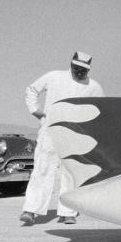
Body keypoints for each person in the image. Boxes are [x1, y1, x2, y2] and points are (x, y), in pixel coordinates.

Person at [19, 52, 104, 226]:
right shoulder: (53, 76)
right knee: (42, 168)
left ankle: (67, 212)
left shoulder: (94, 86)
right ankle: (31, 210)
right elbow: (32, 90)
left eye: (83, 70)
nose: (80, 72)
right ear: (71, 64)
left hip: (76, 134)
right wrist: (37, 111)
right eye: (77, 68)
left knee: (70, 172)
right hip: (50, 129)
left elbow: (100, 109)